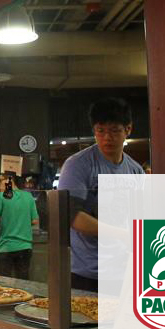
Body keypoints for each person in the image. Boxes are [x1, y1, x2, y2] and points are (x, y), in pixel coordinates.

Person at [57, 97, 144, 292]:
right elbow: (71, 216)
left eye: (114, 131)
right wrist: (122, 234)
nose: (107, 138)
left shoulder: (135, 170)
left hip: (124, 272)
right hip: (87, 273)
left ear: (128, 129)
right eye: (100, 131)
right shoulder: (78, 165)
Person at [0, 175, 39, 279]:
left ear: (8, 181)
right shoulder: (28, 196)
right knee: (23, 284)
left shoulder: (1, 196)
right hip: (25, 248)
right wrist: (21, 224)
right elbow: (35, 221)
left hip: (6, 247)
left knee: (3, 285)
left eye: (0, 182)